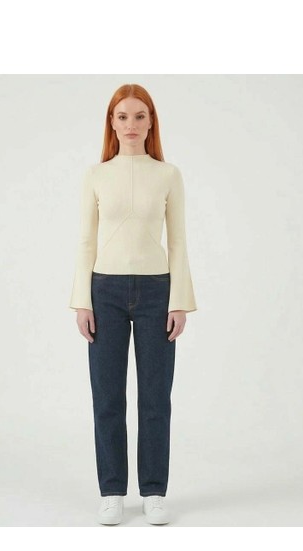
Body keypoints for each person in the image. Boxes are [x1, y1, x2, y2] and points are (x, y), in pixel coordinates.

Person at [69, 83, 197, 526]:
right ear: (111, 122)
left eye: (140, 116)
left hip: (156, 292)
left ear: (151, 122)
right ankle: (111, 491)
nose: (131, 125)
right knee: (107, 397)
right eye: (122, 116)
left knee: (156, 397)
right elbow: (86, 241)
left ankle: (154, 491)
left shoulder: (168, 174)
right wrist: (81, 301)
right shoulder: (95, 175)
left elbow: (178, 242)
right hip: (103, 292)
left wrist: (179, 301)